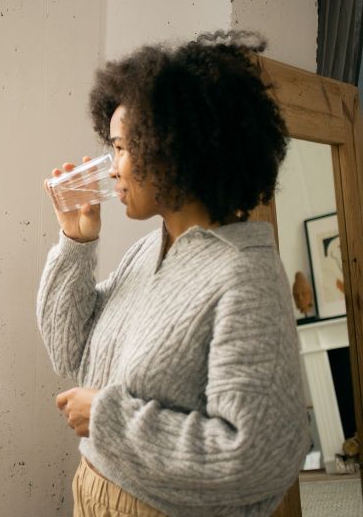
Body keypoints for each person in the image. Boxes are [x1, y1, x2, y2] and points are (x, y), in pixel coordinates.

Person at [37, 31, 310, 517]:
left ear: (176, 148)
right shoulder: (149, 253)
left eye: (122, 148)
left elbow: (255, 456)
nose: (112, 168)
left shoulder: (243, 276)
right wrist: (76, 243)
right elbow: (70, 352)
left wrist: (108, 418)